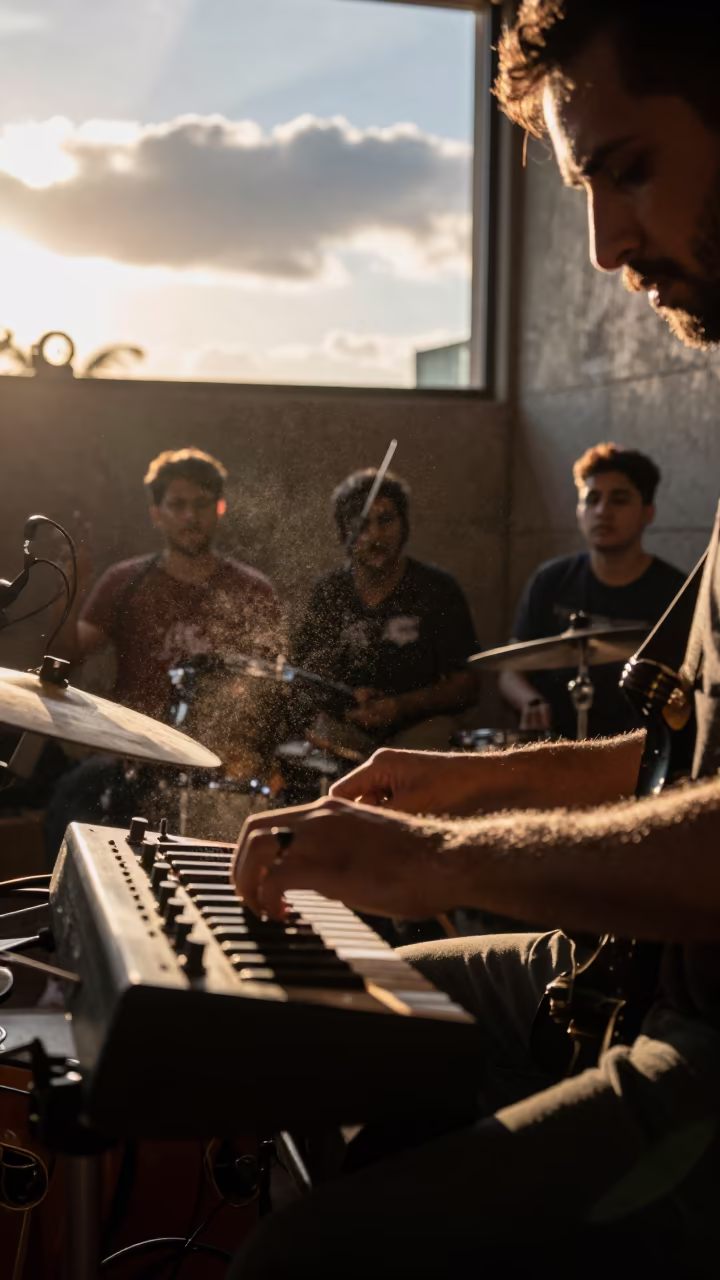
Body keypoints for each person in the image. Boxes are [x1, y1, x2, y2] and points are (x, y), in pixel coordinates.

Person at [228, 3, 720, 1275]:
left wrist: (442, 851)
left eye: (629, 167)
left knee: (302, 1262)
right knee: (325, 1022)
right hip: (643, 963)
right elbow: (683, 776)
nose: (608, 245)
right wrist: (468, 778)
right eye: (582, 188)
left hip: (707, 1040)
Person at [45, 448, 283, 854]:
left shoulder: (252, 590)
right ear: (156, 512)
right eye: (177, 505)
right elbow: (67, 657)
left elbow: (273, 690)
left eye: (203, 504)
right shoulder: (125, 581)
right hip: (134, 760)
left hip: (219, 767)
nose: (191, 516)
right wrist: (70, 587)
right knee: (71, 796)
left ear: (220, 508)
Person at [499, 443, 686, 738]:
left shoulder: (677, 593)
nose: (602, 512)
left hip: (637, 749)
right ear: (579, 510)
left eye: (619, 500)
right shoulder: (550, 580)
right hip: (554, 744)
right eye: (592, 499)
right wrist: (530, 701)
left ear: (648, 513)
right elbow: (510, 671)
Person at [289, 468, 479, 753]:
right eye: (362, 524)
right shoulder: (329, 591)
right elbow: (302, 674)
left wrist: (400, 706)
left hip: (419, 728)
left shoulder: (436, 589)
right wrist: (347, 701)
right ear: (344, 533)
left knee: (435, 742)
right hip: (346, 727)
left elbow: (466, 686)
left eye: (386, 521)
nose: (375, 534)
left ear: (405, 526)